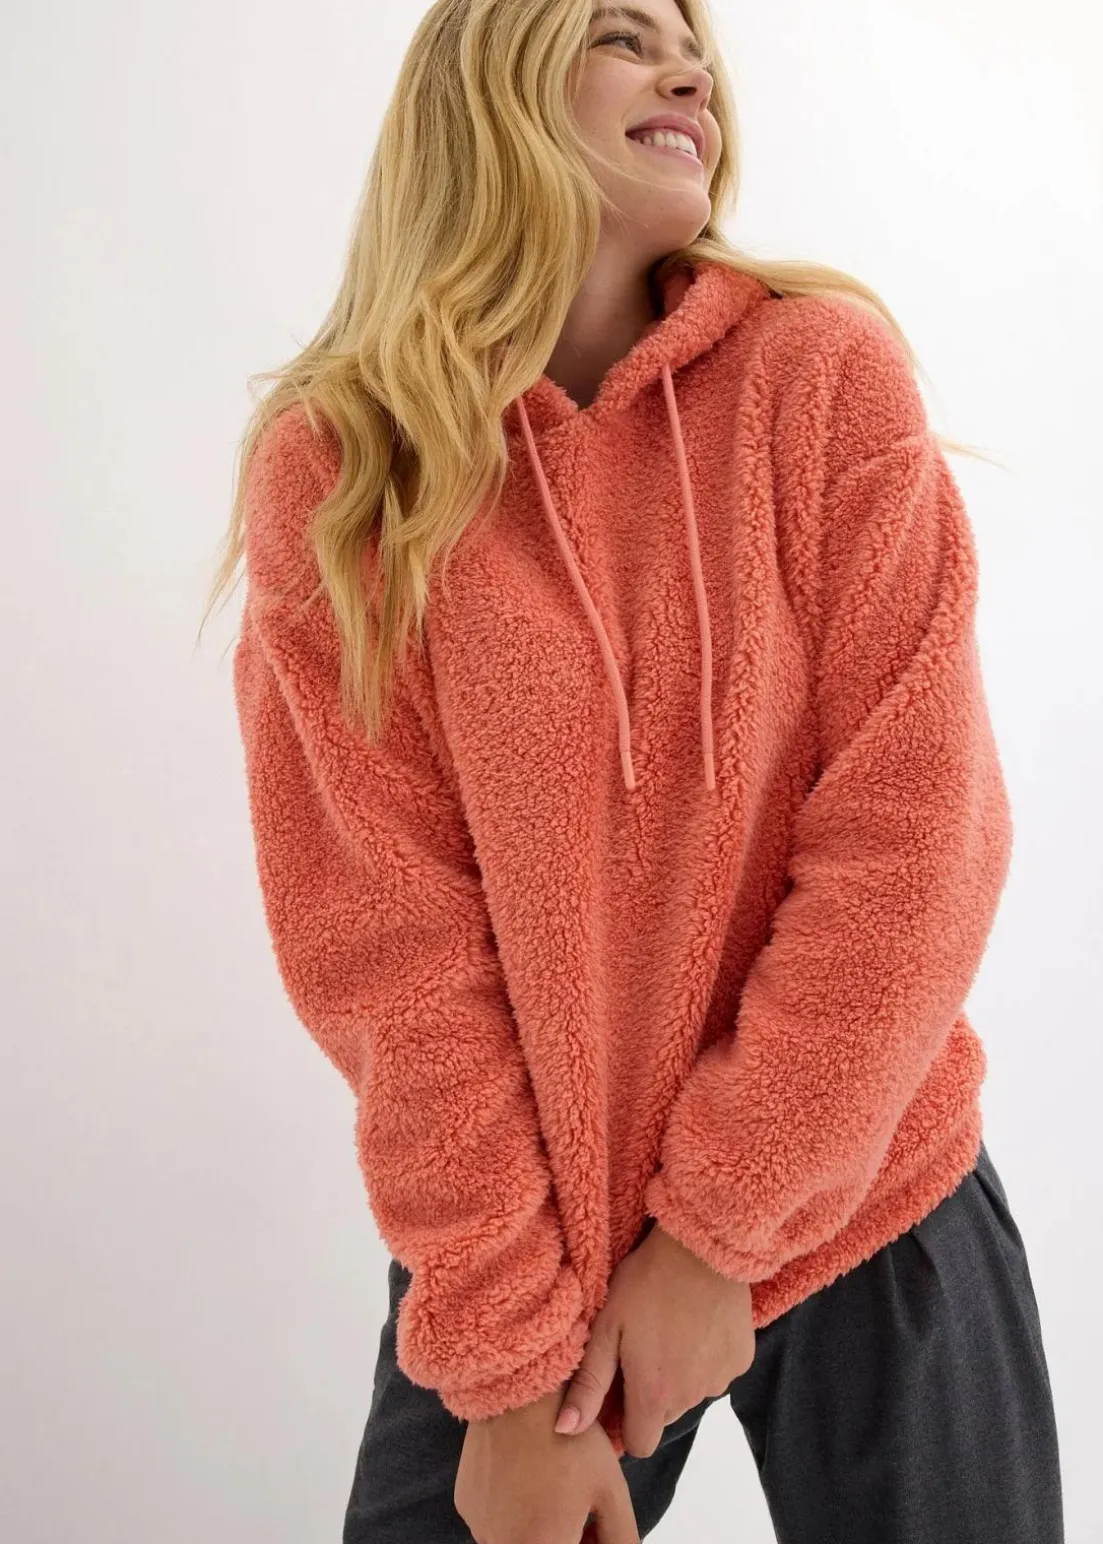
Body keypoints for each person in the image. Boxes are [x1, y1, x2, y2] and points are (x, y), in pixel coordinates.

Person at [202, 1, 1065, 1539]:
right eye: (619, 32)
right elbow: (386, 948)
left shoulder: (819, 374)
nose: (687, 71)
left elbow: (917, 839)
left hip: (872, 1187)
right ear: (487, 84)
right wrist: (504, 1372)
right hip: (522, 1247)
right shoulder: (344, 470)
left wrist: (716, 1237)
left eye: (694, 51)